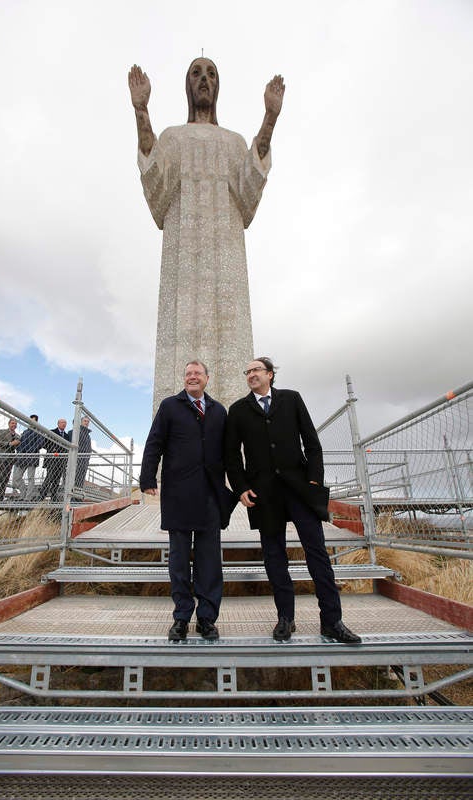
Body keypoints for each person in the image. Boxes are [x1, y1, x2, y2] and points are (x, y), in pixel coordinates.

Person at [128, 58, 285, 413]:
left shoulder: (233, 142)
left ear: (218, 86)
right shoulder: (173, 137)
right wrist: (141, 111)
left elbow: (249, 188)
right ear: (187, 85)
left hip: (226, 256)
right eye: (196, 74)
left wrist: (270, 118)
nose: (204, 80)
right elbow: (156, 179)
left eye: (211, 74)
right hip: (180, 257)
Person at [225, 357, 361, 644]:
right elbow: (231, 456)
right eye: (247, 371)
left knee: (317, 554)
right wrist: (240, 488)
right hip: (264, 494)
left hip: (299, 489)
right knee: (274, 557)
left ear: (270, 375)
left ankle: (332, 621)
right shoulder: (237, 410)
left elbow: (312, 442)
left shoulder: (292, 399)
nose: (251, 375)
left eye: (256, 370)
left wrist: (314, 479)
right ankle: (285, 618)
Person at [139, 360, 233, 642]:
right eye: (188, 374)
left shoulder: (219, 411)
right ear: (184, 379)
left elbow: (229, 452)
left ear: (207, 378)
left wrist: (239, 487)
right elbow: (154, 442)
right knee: (179, 561)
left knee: (209, 561)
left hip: (210, 497)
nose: (192, 377)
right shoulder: (170, 406)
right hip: (178, 494)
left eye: (197, 373)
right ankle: (181, 617)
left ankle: (207, 618)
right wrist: (147, 479)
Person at [12, 414, 44, 500]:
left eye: (33, 421)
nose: (31, 422)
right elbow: (20, 444)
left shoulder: (39, 431)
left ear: (36, 422)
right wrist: (20, 450)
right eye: (30, 421)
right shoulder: (25, 432)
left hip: (32, 457)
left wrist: (30, 451)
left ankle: (28, 497)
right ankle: (23, 494)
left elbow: (40, 444)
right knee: (17, 478)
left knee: (30, 478)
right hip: (22, 458)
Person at [39, 418, 69, 502]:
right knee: (49, 477)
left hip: (61, 461)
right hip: (52, 459)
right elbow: (44, 443)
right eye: (62, 422)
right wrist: (52, 449)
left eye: (65, 423)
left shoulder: (66, 436)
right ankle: (42, 496)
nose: (64, 424)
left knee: (57, 480)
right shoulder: (51, 432)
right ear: (58, 424)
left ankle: (53, 496)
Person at [0, 418, 20, 501]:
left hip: (9, 460)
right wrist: (10, 444)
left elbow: (16, 447)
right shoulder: (2, 431)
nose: (14, 425)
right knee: (0, 477)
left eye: (15, 424)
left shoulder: (17, 436)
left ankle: (1, 497)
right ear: (9, 424)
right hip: (1, 457)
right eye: (12, 423)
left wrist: (16, 444)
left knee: (5, 479)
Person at [68, 416, 92, 489]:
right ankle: (72, 497)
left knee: (81, 479)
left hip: (85, 460)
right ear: (80, 422)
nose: (87, 423)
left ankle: (78, 497)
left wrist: (87, 458)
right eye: (85, 421)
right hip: (76, 459)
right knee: (74, 478)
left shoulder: (87, 435)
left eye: (88, 422)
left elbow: (89, 448)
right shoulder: (73, 432)